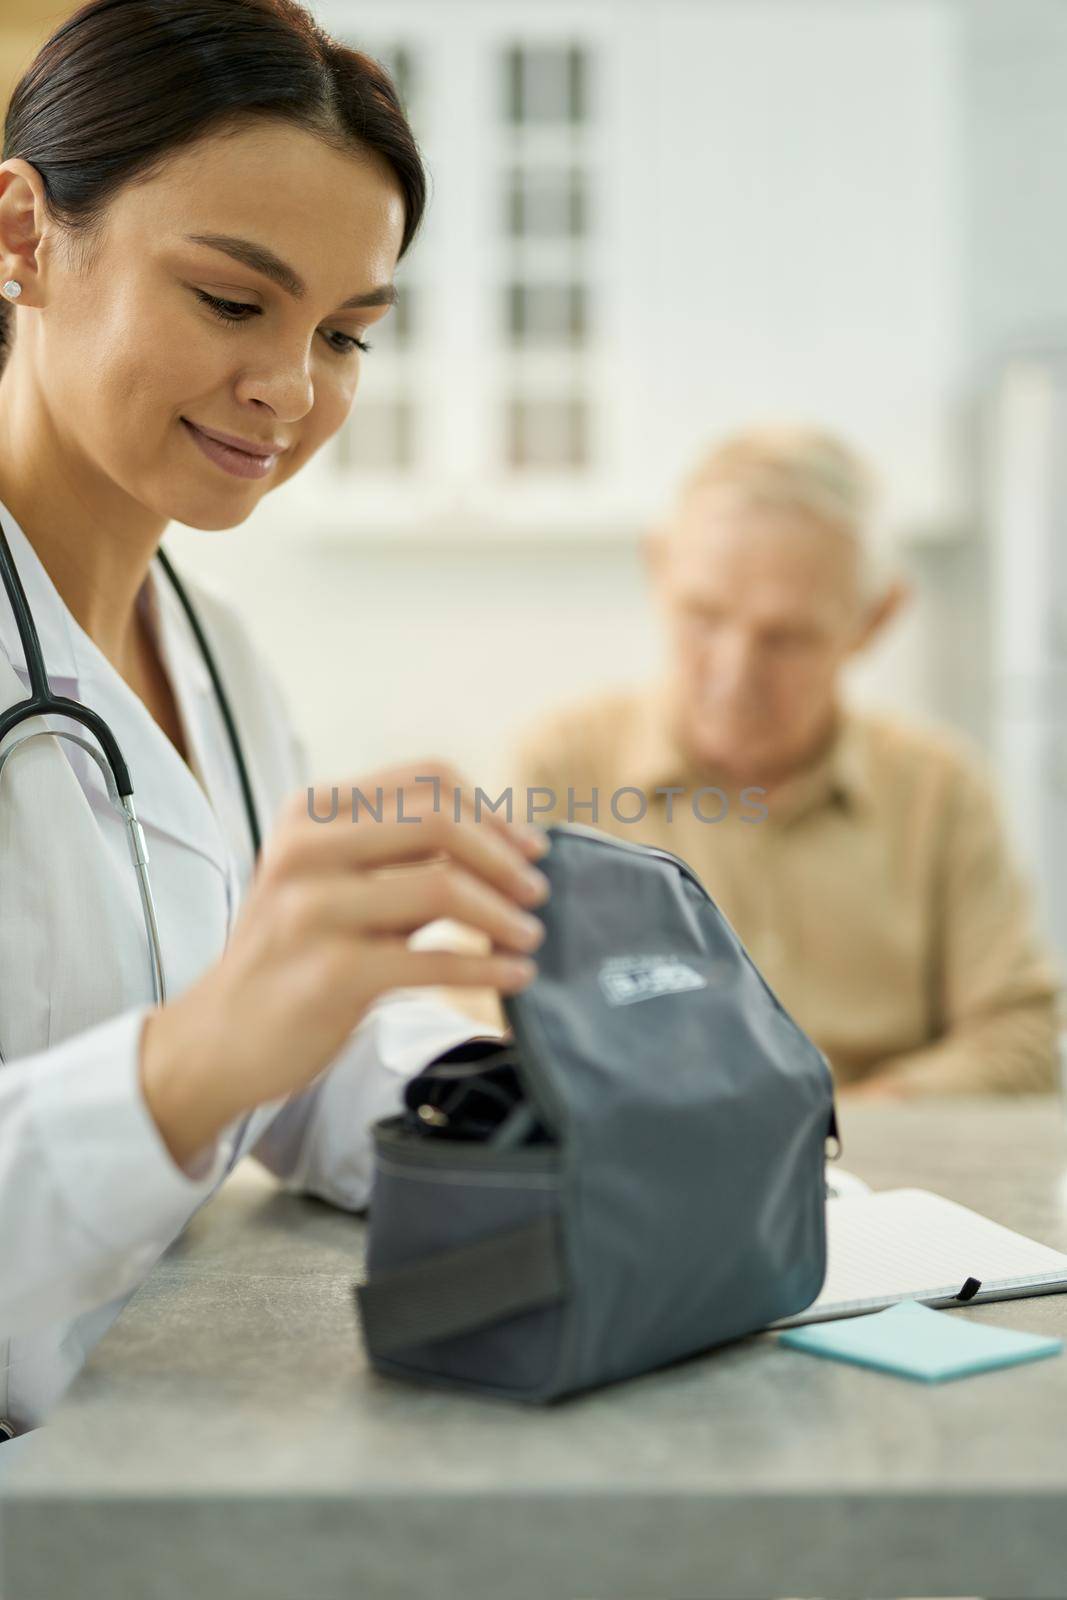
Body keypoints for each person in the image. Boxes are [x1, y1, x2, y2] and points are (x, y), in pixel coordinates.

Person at [0, 0, 551, 1446]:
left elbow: (283, 1056)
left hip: (134, 1435)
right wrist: (193, 1060)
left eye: (346, 335)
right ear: (20, 239)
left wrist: (509, 1102)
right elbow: (209, 1050)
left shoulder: (219, 661)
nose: (290, 391)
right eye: (233, 302)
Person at [514, 426, 1061, 1098]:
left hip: (879, 1173)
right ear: (658, 569)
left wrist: (834, 1126)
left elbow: (1020, 1038)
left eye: (787, 637)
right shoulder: (562, 766)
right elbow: (485, 1010)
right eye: (703, 616)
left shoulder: (939, 791)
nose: (733, 673)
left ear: (874, 620)